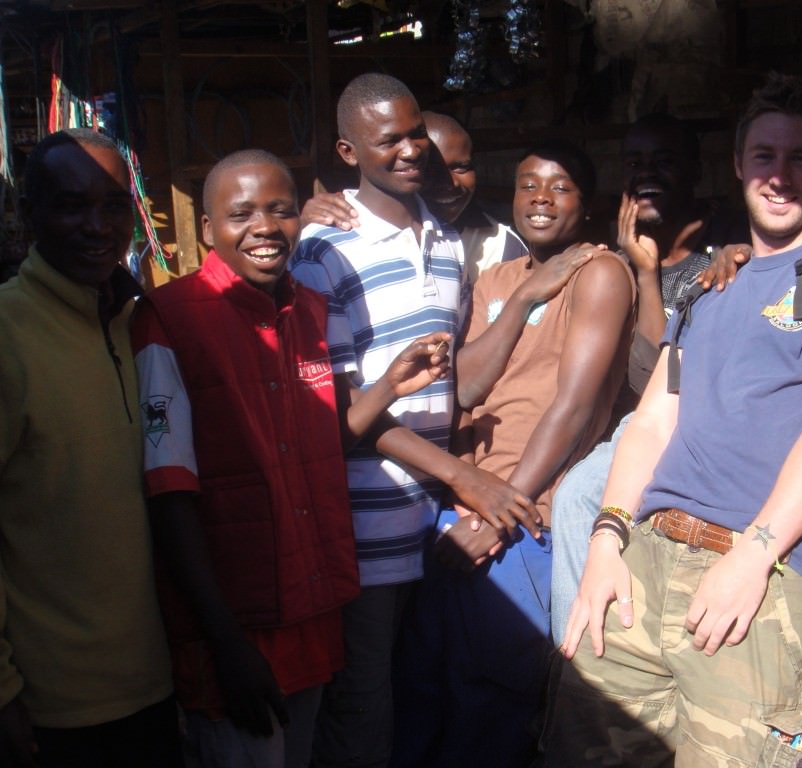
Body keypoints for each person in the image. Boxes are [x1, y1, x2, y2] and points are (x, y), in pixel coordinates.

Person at [544, 73, 802, 767]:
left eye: (800, 158)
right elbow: (654, 420)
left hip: (759, 583)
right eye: (765, 155)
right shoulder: (708, 287)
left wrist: (752, 555)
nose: (779, 175)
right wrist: (607, 539)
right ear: (738, 165)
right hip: (643, 565)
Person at [133, 149, 451, 767]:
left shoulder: (308, 311)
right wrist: (225, 643)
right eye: (241, 213)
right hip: (236, 626)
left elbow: (320, 446)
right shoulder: (169, 318)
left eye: (280, 211)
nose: (264, 228)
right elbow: (169, 493)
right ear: (207, 230)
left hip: (310, 609)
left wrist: (387, 386)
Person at [288, 73, 540, 768]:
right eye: (386, 140)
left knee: (421, 691)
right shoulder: (325, 251)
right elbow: (338, 410)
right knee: (364, 709)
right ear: (348, 151)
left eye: (414, 134)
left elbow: (453, 379)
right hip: (366, 526)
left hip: (430, 521)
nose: (408, 151)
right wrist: (464, 475)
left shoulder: (447, 241)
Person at [390, 140, 635, 768]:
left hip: (520, 524)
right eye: (528, 185)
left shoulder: (599, 273)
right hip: (460, 508)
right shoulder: (498, 278)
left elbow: (574, 406)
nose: (541, 199)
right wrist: (525, 299)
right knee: (426, 692)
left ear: (588, 205)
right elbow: (465, 387)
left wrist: (501, 512)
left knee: (491, 709)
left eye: (560, 187)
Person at [0, 128, 179, 767]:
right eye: (72, 205)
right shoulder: (10, 334)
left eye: (112, 206)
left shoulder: (142, 322)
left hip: (161, 679)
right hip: (58, 704)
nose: (97, 226)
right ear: (30, 216)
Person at [549, 113, 746, 645]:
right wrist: (643, 271)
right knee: (575, 497)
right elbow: (648, 375)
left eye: (663, 161)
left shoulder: (731, 244)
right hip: (648, 417)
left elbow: (681, 374)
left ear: (696, 170)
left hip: (707, 420)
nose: (646, 174)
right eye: (634, 162)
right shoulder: (616, 258)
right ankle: (570, 662)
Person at [300, 110, 527, 283]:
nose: (451, 183)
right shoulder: (350, 227)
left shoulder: (501, 245)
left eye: (462, 167)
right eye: (432, 170)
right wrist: (302, 227)